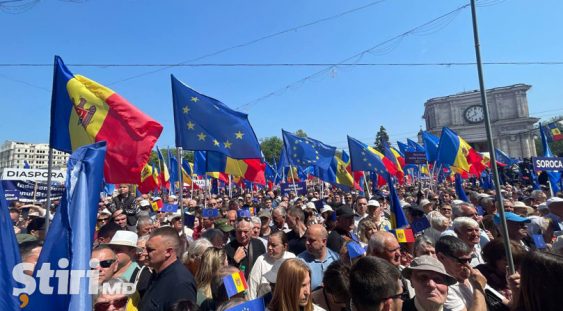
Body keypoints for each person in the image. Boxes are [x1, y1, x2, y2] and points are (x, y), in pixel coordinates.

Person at [139, 227, 197, 310]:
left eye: (150, 250)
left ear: (168, 252)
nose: (144, 253)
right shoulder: (157, 272)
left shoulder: (181, 283)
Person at [435, 236, 487, 311]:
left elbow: (505, 304)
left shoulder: (473, 277)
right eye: (462, 261)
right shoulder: (443, 288)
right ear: (441, 257)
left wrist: (510, 285)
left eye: (469, 260)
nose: (468, 266)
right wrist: (478, 288)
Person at [248, 231, 296, 299]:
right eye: (268, 244)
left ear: (285, 246)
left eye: (273, 245)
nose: (269, 248)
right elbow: (252, 287)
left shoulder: (291, 258)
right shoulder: (261, 260)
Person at [298, 224, 339, 290]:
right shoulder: (299, 262)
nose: (307, 243)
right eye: (306, 239)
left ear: (324, 241)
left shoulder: (335, 258)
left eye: (311, 240)